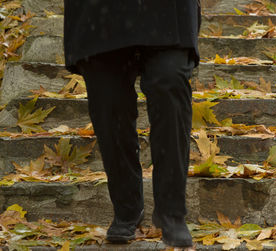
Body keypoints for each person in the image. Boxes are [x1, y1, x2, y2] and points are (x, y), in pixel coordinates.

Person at [63, 0, 201, 248]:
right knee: (108, 98)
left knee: (169, 79)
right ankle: (127, 208)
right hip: (98, 11)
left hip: (168, 10)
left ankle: (171, 211)